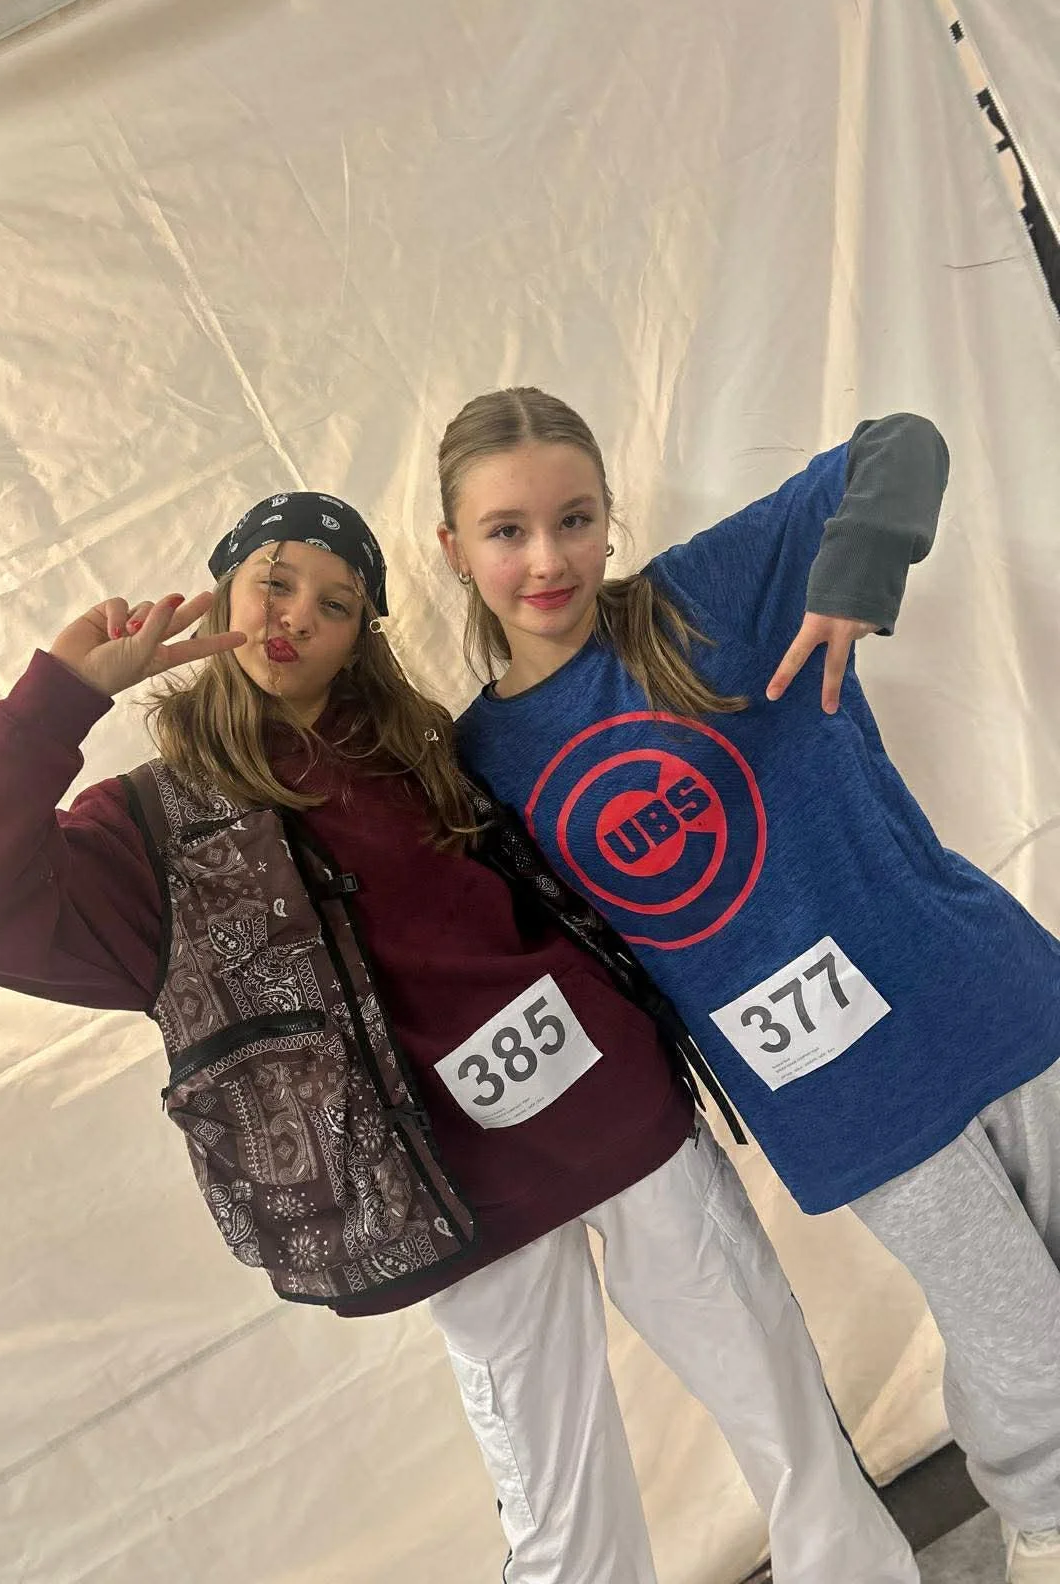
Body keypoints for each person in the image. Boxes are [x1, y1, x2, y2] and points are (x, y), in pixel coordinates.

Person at [0, 492, 916, 1584]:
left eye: (335, 604)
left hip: (619, 1116)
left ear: (360, 637)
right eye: (275, 581)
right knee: (560, 1509)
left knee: (780, 1403)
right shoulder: (146, 830)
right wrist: (59, 699)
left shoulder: (423, 747)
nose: (296, 615)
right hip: (450, 1196)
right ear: (226, 591)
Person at [439, 386, 1060, 1584]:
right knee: (1019, 1330)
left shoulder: (703, 598)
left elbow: (899, 446)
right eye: (507, 530)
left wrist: (857, 570)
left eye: (574, 519)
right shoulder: (477, 766)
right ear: (454, 548)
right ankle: (1045, 1525)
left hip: (985, 984)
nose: (548, 558)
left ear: (609, 518)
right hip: (841, 1091)